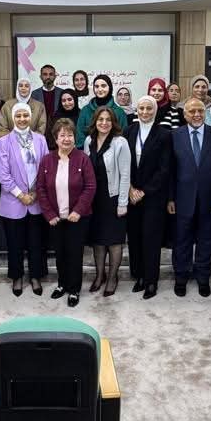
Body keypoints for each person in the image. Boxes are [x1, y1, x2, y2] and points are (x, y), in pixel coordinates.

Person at [168, 97, 211, 297]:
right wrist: (170, 198)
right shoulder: (174, 136)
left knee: (207, 240)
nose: (196, 115)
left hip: (210, 201)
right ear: (184, 114)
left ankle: (203, 277)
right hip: (181, 199)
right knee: (181, 239)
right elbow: (170, 170)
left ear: (205, 112)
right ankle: (181, 276)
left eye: (200, 111)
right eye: (192, 111)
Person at [36, 118, 96, 307]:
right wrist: (49, 214)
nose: (66, 139)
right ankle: (62, 284)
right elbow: (40, 189)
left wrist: (78, 211)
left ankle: (74, 289)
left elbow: (90, 187)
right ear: (56, 138)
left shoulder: (83, 158)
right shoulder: (47, 160)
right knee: (60, 254)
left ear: (74, 137)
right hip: (55, 218)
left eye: (70, 135)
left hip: (77, 218)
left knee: (74, 254)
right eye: (62, 135)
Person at [0, 102, 49, 295]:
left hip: (36, 200)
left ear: (30, 117)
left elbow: (46, 168)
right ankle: (17, 277)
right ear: (12, 118)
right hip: (13, 201)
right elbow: (3, 175)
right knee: (14, 243)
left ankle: (36, 276)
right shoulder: (3, 142)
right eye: (18, 116)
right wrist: (21, 195)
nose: (22, 119)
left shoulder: (40, 140)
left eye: (25, 115)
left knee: (36, 242)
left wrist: (35, 193)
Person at [124, 94, 172, 298]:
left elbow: (164, 169)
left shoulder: (164, 134)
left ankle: (151, 281)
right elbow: (123, 163)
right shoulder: (129, 131)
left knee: (151, 239)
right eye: (141, 108)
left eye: (149, 108)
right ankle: (139, 276)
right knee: (134, 238)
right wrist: (130, 189)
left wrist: (144, 191)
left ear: (155, 110)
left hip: (153, 196)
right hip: (132, 195)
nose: (145, 112)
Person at [84, 105, 131, 296]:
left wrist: (122, 203)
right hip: (94, 199)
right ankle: (99, 275)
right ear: (95, 121)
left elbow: (125, 174)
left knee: (114, 241)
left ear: (113, 123)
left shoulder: (120, 142)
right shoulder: (89, 140)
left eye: (108, 120)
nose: (104, 123)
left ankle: (112, 278)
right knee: (98, 241)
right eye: (100, 119)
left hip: (113, 198)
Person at [76, 74, 129, 144]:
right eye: (96, 86)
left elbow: (123, 136)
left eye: (103, 86)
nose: (100, 89)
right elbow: (80, 136)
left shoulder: (119, 112)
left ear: (110, 87)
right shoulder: (85, 110)